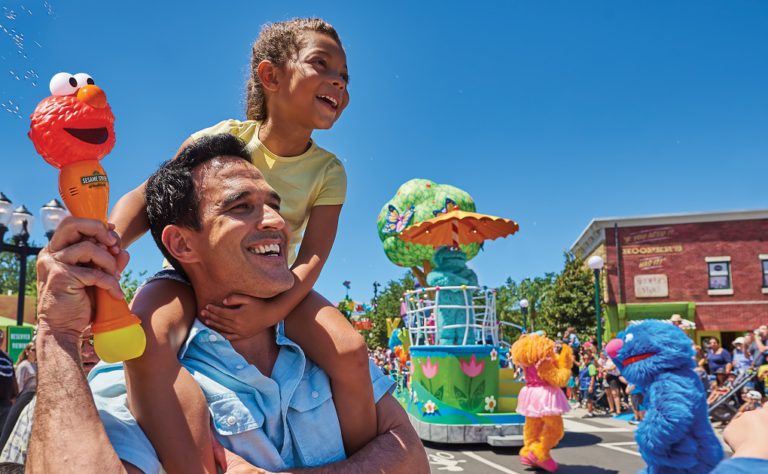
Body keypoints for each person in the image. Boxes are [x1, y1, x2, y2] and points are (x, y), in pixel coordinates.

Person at [28, 139, 429, 473]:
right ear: (182, 244)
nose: (277, 221)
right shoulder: (146, 366)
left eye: (273, 204)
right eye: (242, 207)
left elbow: (411, 457)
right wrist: (56, 335)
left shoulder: (324, 345)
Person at [109, 18, 376, 467]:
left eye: (345, 77)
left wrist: (271, 312)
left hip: (278, 284)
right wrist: (108, 249)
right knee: (147, 333)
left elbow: (311, 256)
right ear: (270, 76)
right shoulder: (223, 140)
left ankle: (362, 457)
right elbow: (150, 197)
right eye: (321, 64)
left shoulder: (330, 172)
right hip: (188, 276)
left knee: (350, 350)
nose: (339, 82)